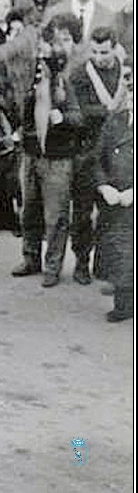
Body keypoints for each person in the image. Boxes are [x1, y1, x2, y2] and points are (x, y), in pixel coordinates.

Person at [14, 13, 83, 287]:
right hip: (31, 154)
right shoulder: (34, 72)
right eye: (52, 39)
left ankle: (53, 266)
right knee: (28, 210)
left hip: (58, 158)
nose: (56, 46)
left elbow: (81, 117)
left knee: (55, 217)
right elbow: (22, 108)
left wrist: (63, 118)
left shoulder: (72, 75)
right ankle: (31, 257)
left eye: (63, 39)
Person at [67, 27, 125, 285]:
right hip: (86, 149)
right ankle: (81, 262)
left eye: (104, 51)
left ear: (115, 48)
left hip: (115, 153)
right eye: (95, 51)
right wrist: (108, 110)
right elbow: (78, 111)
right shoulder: (81, 73)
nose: (99, 57)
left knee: (112, 212)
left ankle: (107, 265)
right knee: (81, 212)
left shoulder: (125, 73)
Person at [92, 67, 134, 322]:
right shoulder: (116, 122)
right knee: (117, 248)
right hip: (115, 199)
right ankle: (124, 293)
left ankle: (126, 298)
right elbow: (97, 159)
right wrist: (103, 185)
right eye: (132, 91)